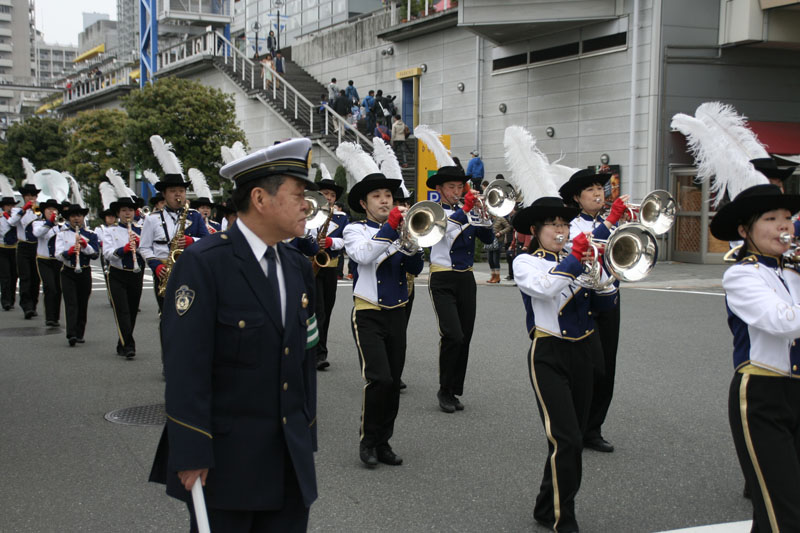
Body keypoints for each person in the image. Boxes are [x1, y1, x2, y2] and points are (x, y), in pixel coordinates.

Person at [148, 138, 320, 532]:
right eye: (297, 195)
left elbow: (303, 357)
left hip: (289, 461)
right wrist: (190, 451)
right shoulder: (205, 263)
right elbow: (185, 365)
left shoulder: (296, 266)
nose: (306, 205)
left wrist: (305, 435)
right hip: (226, 464)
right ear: (260, 198)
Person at [512, 196, 618, 533]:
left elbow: (607, 301)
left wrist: (601, 270)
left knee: (569, 439)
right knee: (567, 439)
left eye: (564, 225)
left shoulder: (580, 259)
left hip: (584, 352)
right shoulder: (525, 262)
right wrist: (575, 261)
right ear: (536, 229)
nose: (561, 230)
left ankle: (546, 506)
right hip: (548, 354)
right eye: (554, 225)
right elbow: (544, 291)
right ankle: (563, 517)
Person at [711, 183, 800, 532]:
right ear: (744, 231)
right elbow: (783, 322)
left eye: (788, 218)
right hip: (762, 396)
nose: (784, 226)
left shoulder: (793, 271)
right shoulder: (741, 275)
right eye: (771, 218)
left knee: (776, 512)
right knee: (784, 511)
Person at [338, 141, 424, 467]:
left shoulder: (401, 230)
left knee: (394, 380)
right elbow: (363, 256)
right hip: (368, 313)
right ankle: (368, 440)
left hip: (397, 312)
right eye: (377, 196)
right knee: (380, 379)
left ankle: (384, 441)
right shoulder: (354, 229)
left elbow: (414, 270)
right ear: (364, 202)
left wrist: (412, 245)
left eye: (388, 195)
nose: (385, 199)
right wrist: (391, 231)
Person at [415, 126, 494, 413]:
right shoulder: (432, 211)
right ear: (440, 189)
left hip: (466, 279)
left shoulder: (467, 210)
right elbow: (443, 234)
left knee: (466, 336)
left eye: (460, 187)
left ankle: (453, 390)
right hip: (442, 278)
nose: (457, 191)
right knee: (453, 335)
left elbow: (489, 240)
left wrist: (483, 216)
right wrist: (465, 212)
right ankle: (443, 389)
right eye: (451, 187)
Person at [559, 168, 630, 453]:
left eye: (600, 188)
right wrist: (612, 221)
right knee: (592, 367)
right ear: (577, 198)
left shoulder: (611, 222)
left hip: (610, 296)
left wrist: (623, 224)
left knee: (608, 367)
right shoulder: (572, 224)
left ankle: (593, 429)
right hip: (583, 299)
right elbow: (587, 245)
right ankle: (576, 425)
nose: (598, 193)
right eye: (589, 190)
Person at [139, 171, 209, 313]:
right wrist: (156, 266)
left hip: (190, 271)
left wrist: (192, 240)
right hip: (164, 271)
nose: (178, 194)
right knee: (167, 315)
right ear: (164, 194)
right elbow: (144, 247)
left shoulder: (194, 216)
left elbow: (207, 241)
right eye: (173, 191)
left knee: (191, 314)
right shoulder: (152, 219)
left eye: (181, 191)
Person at [309, 166, 348, 371]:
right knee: (318, 310)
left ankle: (319, 350)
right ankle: (317, 353)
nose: (330, 197)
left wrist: (331, 241)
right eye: (325, 194)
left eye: (332, 195)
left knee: (328, 310)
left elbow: (346, 240)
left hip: (330, 266)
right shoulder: (309, 212)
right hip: (310, 266)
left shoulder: (341, 218)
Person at [103, 194, 145, 359]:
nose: (127, 213)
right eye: (123, 210)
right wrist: (124, 249)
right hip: (117, 274)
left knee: (132, 310)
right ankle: (129, 345)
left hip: (136, 273)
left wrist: (140, 244)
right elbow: (107, 253)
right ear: (118, 213)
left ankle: (122, 342)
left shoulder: (141, 231)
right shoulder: (110, 231)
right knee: (122, 311)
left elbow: (150, 251)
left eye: (130, 210)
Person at [55, 203, 99, 347]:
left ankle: (80, 332)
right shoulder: (62, 234)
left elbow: (94, 254)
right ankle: (71, 333)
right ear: (68, 218)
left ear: (83, 217)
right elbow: (58, 255)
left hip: (85, 270)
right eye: (73, 216)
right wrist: (70, 252)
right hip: (68, 271)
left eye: (79, 216)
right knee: (71, 302)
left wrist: (84, 246)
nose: (76, 219)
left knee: (82, 302)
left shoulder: (91, 235)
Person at [9, 182, 41, 319]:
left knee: (35, 278)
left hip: (37, 246)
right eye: (28, 195)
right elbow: (11, 222)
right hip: (23, 246)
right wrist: (24, 209)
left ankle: (33, 304)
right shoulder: (17, 210)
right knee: (25, 277)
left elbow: (43, 221)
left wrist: (35, 209)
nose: (30, 198)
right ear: (23, 197)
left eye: (33, 195)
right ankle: (26, 306)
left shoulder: (39, 209)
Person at [32, 199, 64, 327]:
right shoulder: (38, 223)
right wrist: (50, 223)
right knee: (49, 287)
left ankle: (55, 317)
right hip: (44, 259)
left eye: (54, 209)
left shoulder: (61, 225)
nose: (52, 211)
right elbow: (38, 234)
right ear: (44, 211)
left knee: (58, 288)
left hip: (58, 260)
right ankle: (49, 317)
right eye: (49, 209)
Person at [0, 182, 18, 311]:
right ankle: (5, 301)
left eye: (11, 205)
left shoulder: (17, 218)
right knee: (5, 276)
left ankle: (11, 299)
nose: (10, 207)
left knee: (14, 275)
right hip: (2, 249)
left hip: (15, 249)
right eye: (7, 205)